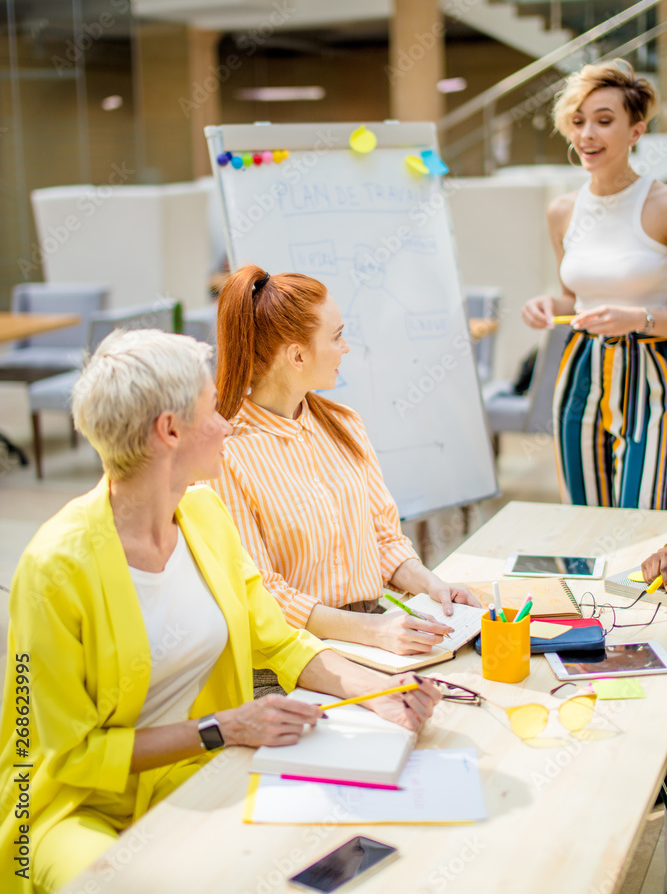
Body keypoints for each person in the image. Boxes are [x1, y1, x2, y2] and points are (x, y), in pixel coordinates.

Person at [0, 330, 439, 894]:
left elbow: (280, 642)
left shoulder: (205, 514)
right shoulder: (55, 568)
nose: (228, 424)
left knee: (340, 847)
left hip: (197, 772)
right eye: (213, 409)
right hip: (79, 807)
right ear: (170, 431)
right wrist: (222, 729)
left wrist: (382, 691)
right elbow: (71, 757)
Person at [209, 264, 480, 690]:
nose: (346, 348)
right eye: (336, 337)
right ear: (297, 356)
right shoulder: (225, 454)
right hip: (293, 659)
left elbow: (384, 540)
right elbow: (264, 595)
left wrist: (433, 586)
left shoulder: (344, 424)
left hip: (375, 632)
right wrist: (375, 631)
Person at [521, 60, 667, 509]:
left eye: (604, 121)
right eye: (578, 121)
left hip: (654, 370)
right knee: (584, 513)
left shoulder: (661, 205)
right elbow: (574, 298)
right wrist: (550, 304)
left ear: (636, 132)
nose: (587, 134)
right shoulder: (562, 211)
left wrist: (638, 318)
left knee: (644, 516)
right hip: (581, 366)